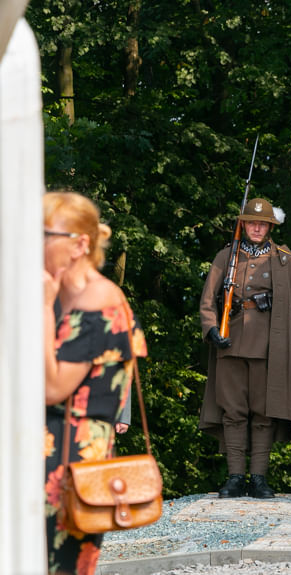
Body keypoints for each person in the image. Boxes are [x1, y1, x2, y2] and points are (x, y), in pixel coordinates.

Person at [43, 191, 147, 575]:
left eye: (43, 234)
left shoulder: (101, 299)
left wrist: (39, 305)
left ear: (79, 244)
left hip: (70, 463)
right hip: (47, 452)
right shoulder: (61, 295)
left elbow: (54, 388)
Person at [199, 198, 291, 499]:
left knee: (264, 414)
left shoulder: (284, 261)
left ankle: (258, 477)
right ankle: (234, 477)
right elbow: (207, 301)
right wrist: (212, 329)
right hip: (230, 344)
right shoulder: (226, 257)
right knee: (233, 413)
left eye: (262, 223)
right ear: (243, 224)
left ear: (270, 226)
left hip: (269, 347)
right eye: (251, 222)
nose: (256, 227)